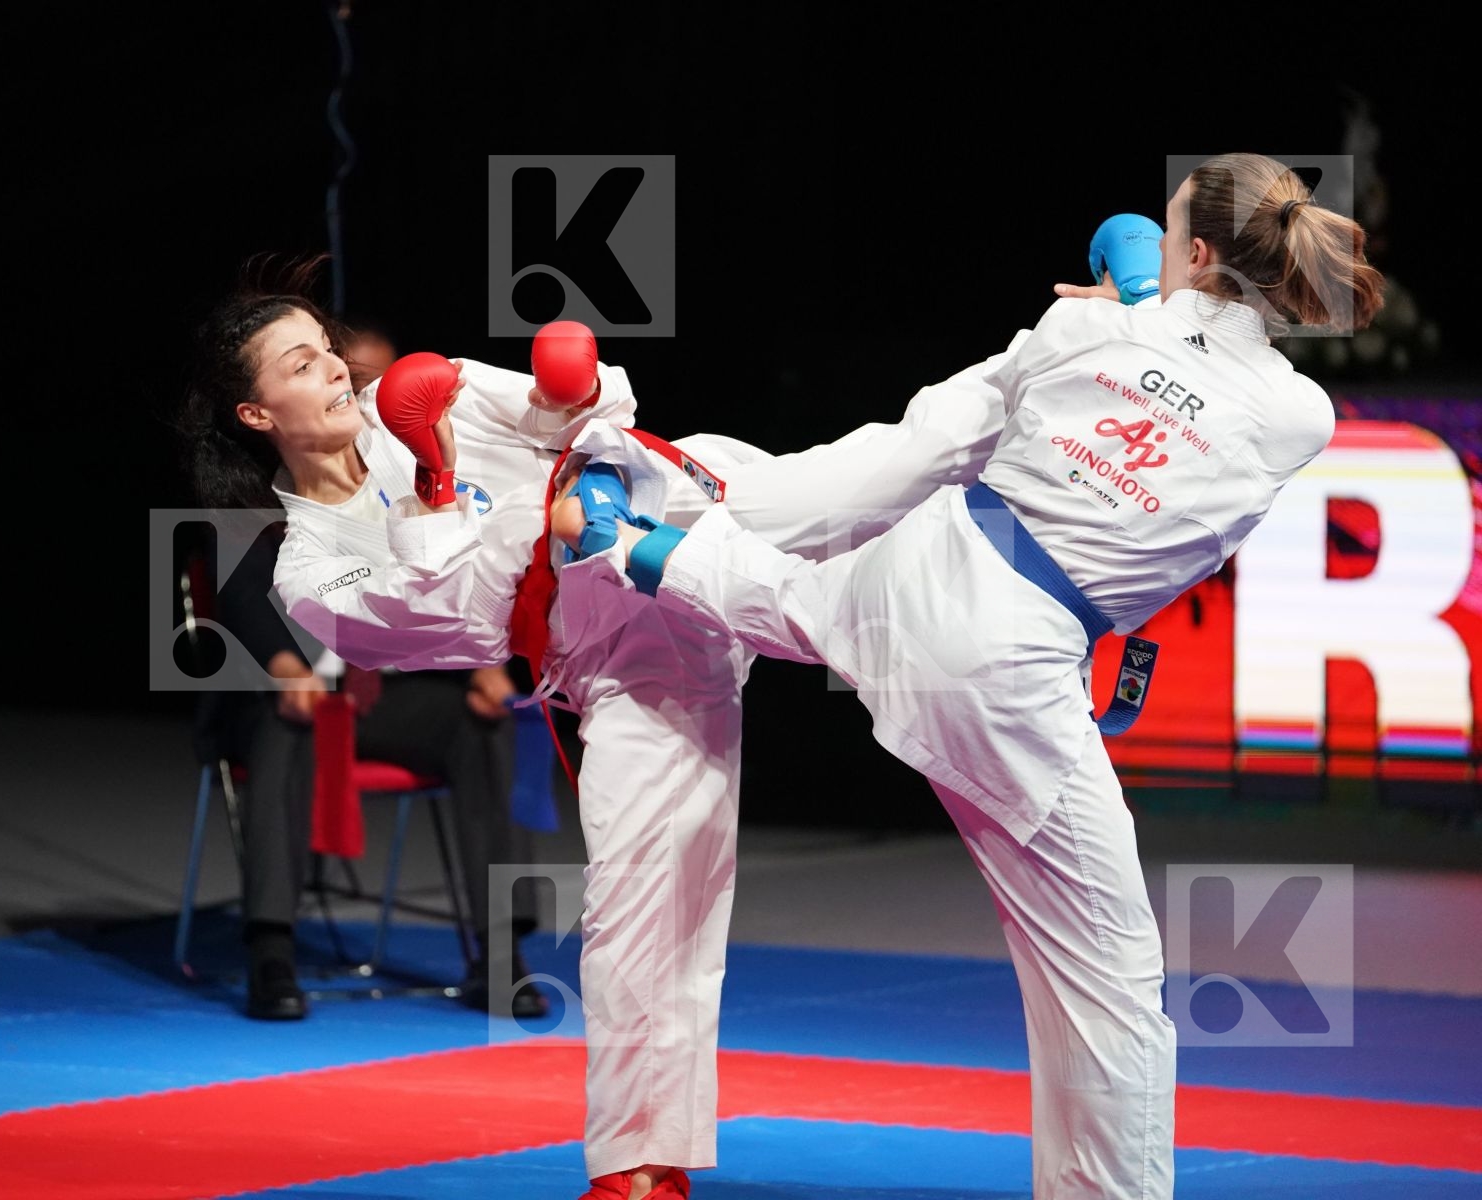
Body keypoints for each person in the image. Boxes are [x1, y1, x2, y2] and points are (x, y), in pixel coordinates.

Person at [579, 153, 1384, 1198]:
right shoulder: (1296, 413)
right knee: (1109, 975)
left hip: (927, 565)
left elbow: (1116, 343)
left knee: (806, 605)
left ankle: (625, 539)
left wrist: (1133, 301)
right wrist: (1147, 290)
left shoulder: (1080, 327)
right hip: (1009, 658)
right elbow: (1191, 349)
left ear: (1192, 253)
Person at [179, 252, 1015, 1200]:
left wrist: (570, 381)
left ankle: (1059, 360)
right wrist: (446, 485)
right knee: (636, 906)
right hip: (617, 656)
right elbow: (445, 622)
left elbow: (588, 411)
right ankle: (636, 1170)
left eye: (326, 349)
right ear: (256, 415)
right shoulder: (308, 566)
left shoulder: (416, 393)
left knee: (884, 476)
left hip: (673, 506)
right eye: (300, 364)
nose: (333, 368)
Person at [204, 520, 545, 1021]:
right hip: (277, 694)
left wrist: (481, 663)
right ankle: (271, 951)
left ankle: (500, 952)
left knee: (483, 727)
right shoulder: (252, 495)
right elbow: (239, 589)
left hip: (379, 699)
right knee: (286, 726)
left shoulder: (391, 491)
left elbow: (445, 580)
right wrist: (286, 669)